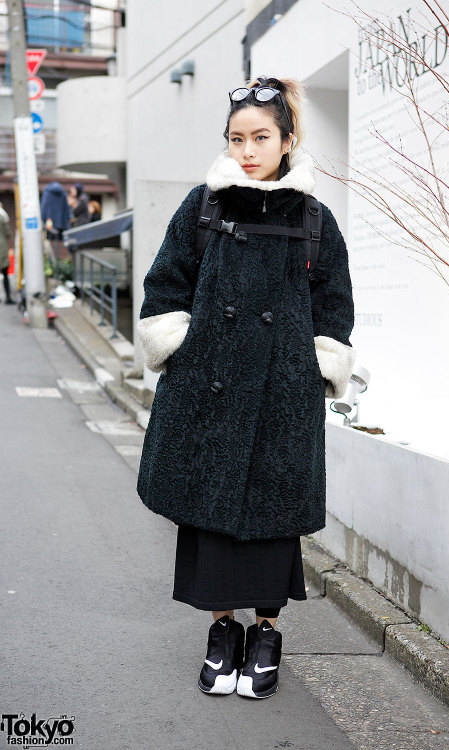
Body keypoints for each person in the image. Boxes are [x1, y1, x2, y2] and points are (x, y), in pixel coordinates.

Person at [136, 75, 355, 699]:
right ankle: (220, 632)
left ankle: (265, 634)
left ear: (287, 140)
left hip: (282, 394)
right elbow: (165, 282)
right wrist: (174, 342)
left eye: (261, 137)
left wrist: (317, 367)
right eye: (237, 138)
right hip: (209, 387)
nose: (247, 150)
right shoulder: (203, 206)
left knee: (271, 518)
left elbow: (333, 303)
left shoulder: (314, 219)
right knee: (209, 514)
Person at [0, 200, 15, 304]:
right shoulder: (2, 216)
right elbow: (8, 233)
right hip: (1, 246)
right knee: (5, 273)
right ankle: (8, 297)